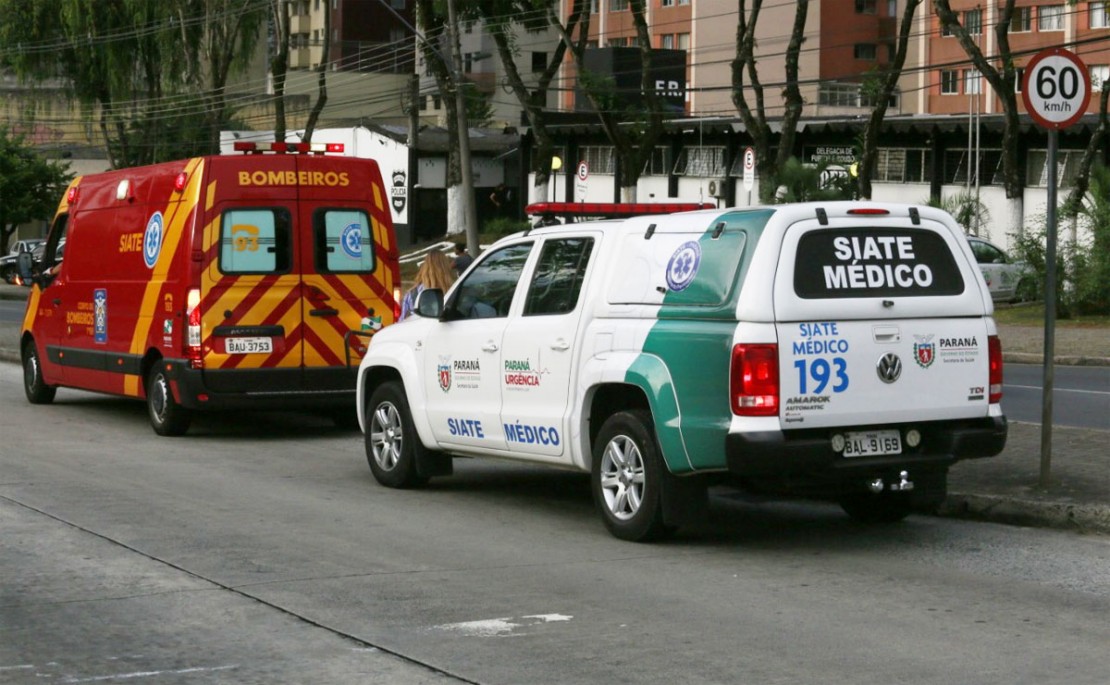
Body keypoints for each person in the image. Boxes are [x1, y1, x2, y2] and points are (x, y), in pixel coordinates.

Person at [399, 250, 455, 321]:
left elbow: (402, 321)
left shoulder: (411, 294)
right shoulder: (455, 292)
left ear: (425, 268)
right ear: (446, 268)